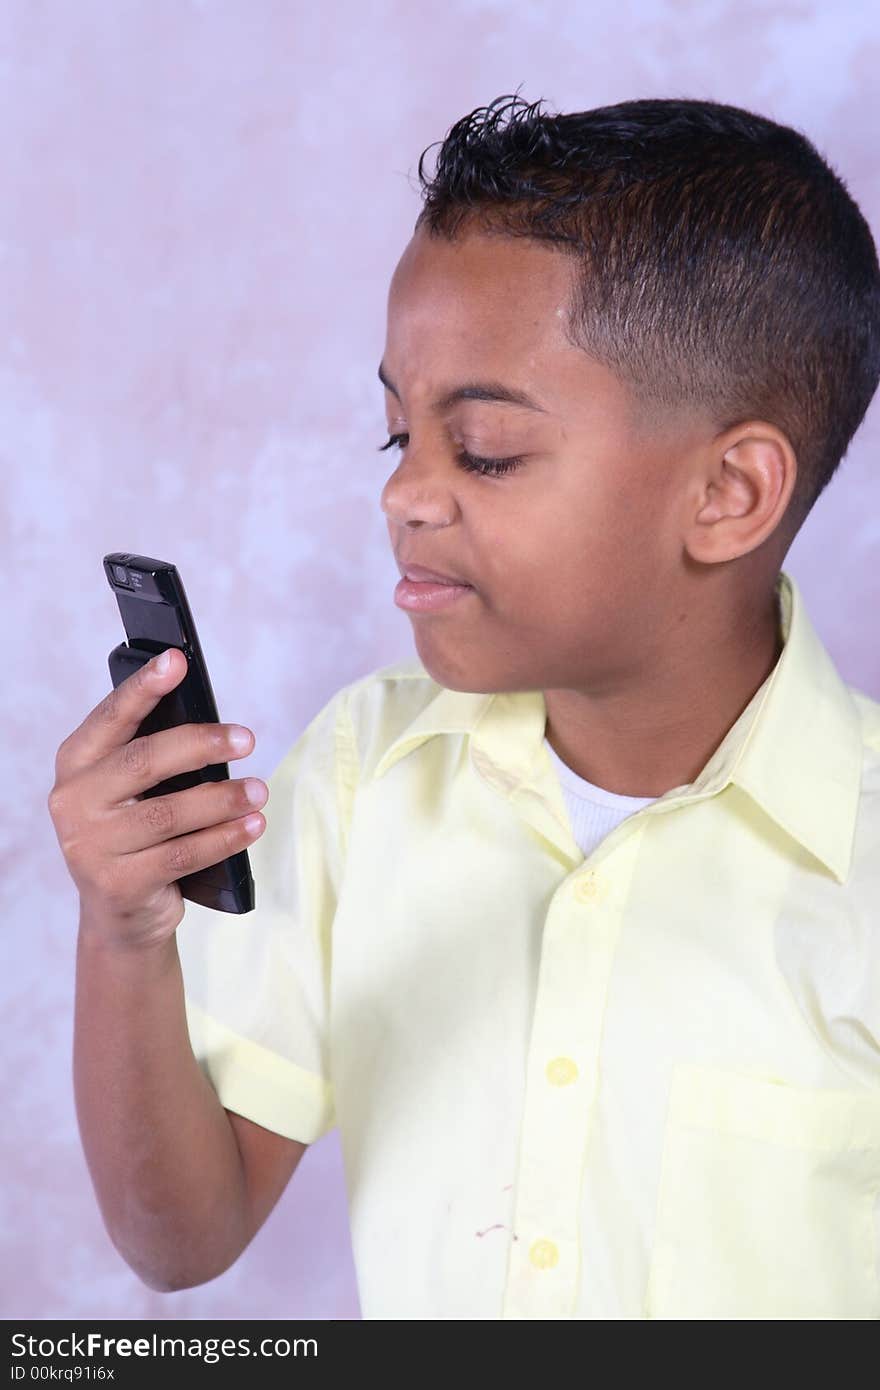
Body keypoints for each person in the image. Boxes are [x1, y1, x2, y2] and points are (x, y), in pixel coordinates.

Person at [50, 93, 880, 1320]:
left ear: (727, 493)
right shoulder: (361, 773)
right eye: (398, 437)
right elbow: (184, 1235)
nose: (408, 496)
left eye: (482, 448)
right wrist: (124, 938)